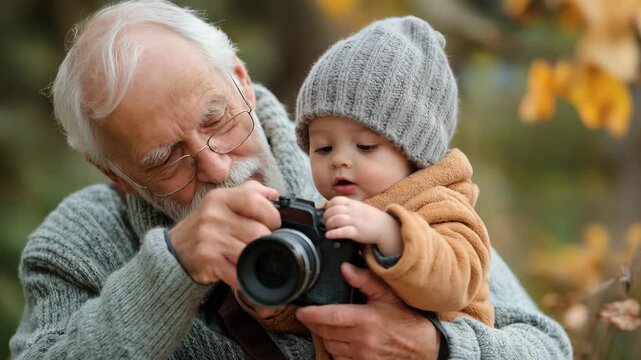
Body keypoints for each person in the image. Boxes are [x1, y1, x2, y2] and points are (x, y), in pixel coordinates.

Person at [9, 0, 572, 359]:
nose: (216, 166)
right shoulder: (78, 246)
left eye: (216, 121)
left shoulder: (374, 177)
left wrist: (433, 347)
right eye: (164, 159)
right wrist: (171, 269)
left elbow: (546, 348)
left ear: (242, 81)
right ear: (115, 174)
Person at [243, 17, 495, 359]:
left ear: (413, 155)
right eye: (323, 148)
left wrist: (392, 235)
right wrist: (272, 297)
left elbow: (456, 282)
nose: (339, 161)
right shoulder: (328, 217)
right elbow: (320, 310)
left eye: (364, 147)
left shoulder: (442, 206)